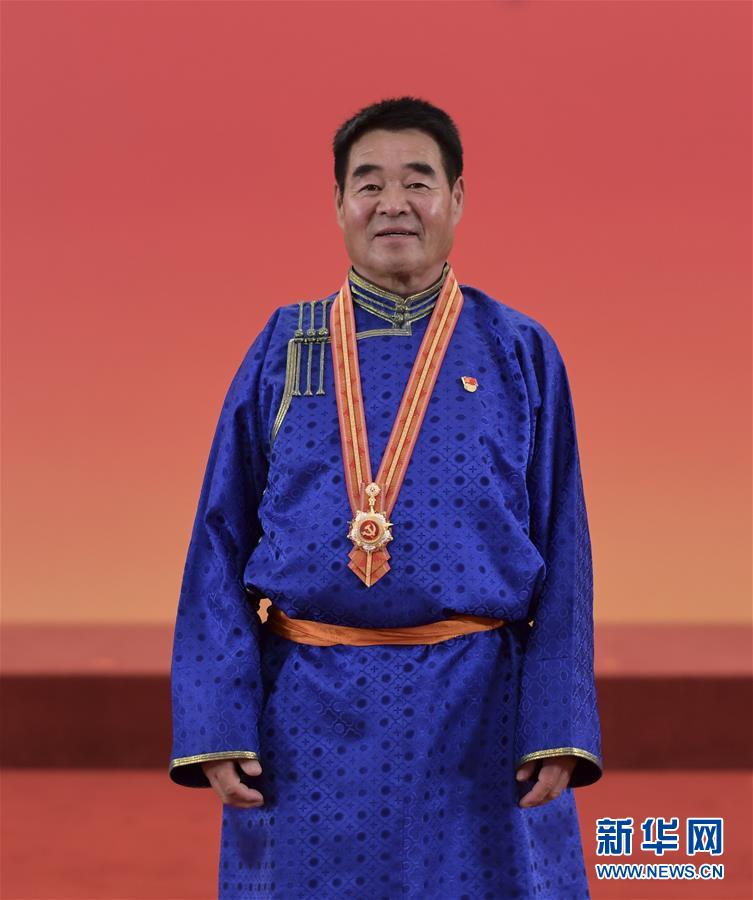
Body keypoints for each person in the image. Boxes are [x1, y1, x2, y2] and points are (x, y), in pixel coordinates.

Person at [168, 96, 603, 899]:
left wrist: (557, 723)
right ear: (338, 203)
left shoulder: (517, 350)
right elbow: (218, 540)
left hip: (480, 712)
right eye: (368, 183)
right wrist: (217, 720)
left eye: (417, 182)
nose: (392, 203)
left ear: (456, 199)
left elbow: (563, 547)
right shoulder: (286, 345)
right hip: (307, 714)